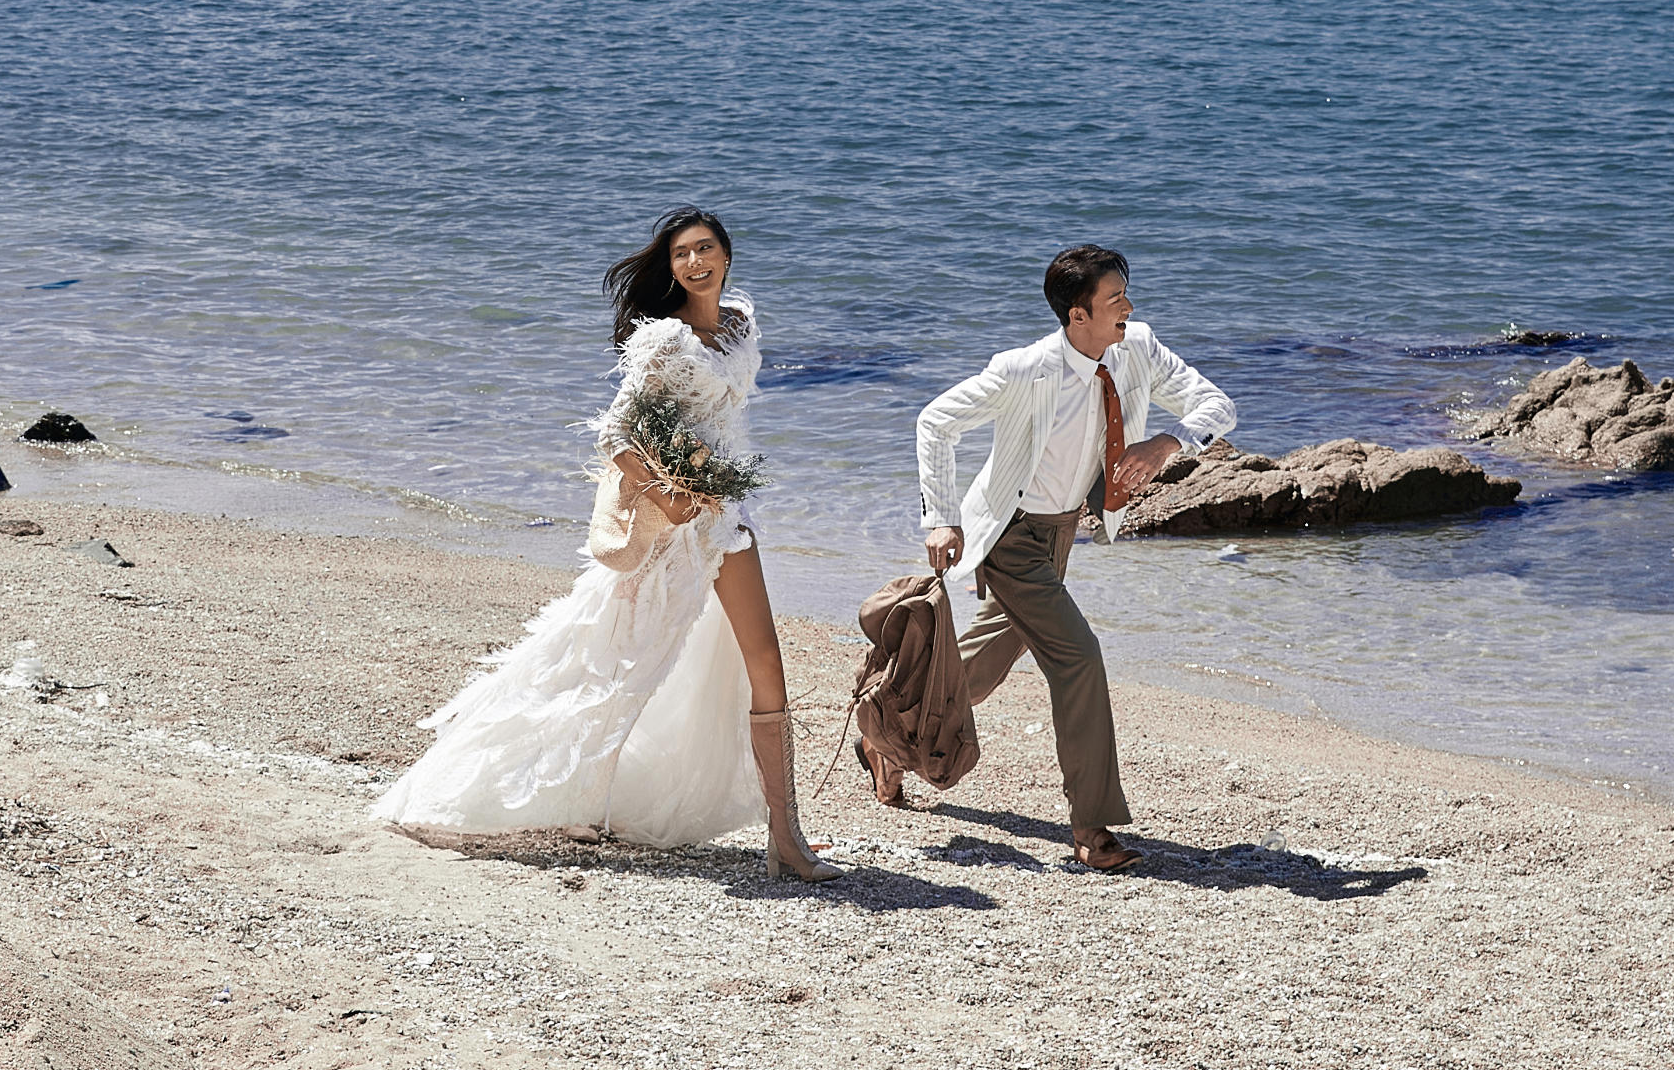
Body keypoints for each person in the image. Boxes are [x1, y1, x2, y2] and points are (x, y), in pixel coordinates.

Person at [371, 207, 836, 880]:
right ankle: (490, 779)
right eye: (682, 254)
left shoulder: (740, 322)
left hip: (727, 517)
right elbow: (614, 434)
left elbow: (716, 418)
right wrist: (668, 495)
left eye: (705, 249)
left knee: (763, 664)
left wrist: (711, 484)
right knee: (608, 662)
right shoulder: (666, 343)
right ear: (670, 268)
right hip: (675, 530)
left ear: (727, 255)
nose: (694, 263)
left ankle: (785, 836)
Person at [898, 244, 1235, 870]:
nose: (1128, 308)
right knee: (1079, 659)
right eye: (1114, 300)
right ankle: (1092, 827)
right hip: (1008, 534)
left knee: (984, 666)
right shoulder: (1023, 370)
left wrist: (1168, 440)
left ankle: (889, 737)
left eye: (1126, 294)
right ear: (1077, 315)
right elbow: (934, 422)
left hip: (1060, 536)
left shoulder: (1137, 347)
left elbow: (1218, 405)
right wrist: (939, 517)